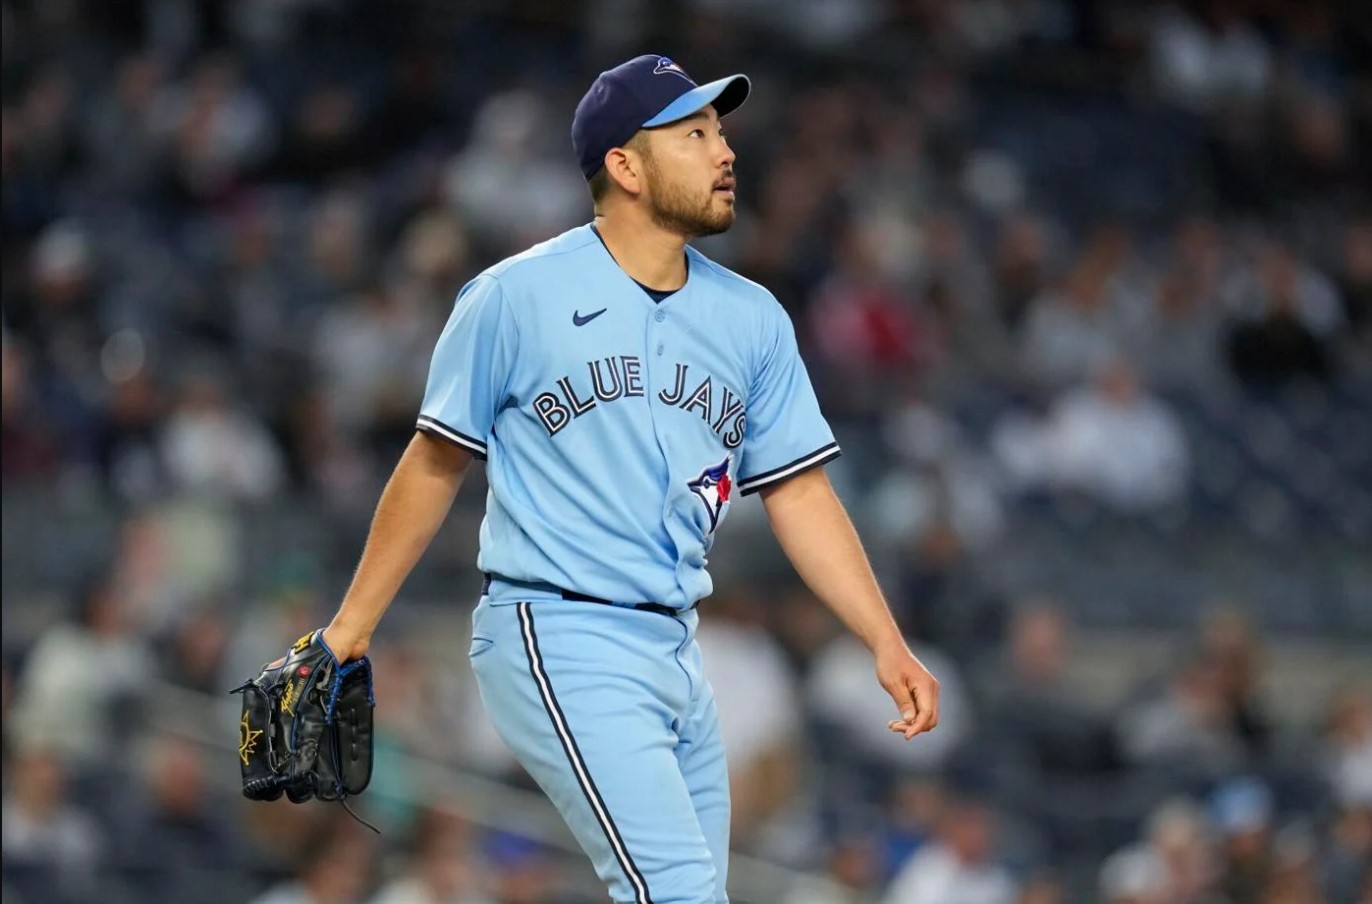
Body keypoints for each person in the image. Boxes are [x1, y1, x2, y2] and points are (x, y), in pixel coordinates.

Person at [315, 54, 941, 904]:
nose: (724, 152)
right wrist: (349, 631)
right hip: (556, 628)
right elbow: (434, 462)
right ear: (625, 166)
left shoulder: (752, 319)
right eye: (693, 135)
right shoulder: (513, 297)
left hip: (679, 649)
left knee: (689, 893)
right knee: (681, 894)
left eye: (719, 131)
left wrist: (882, 636)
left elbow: (799, 493)